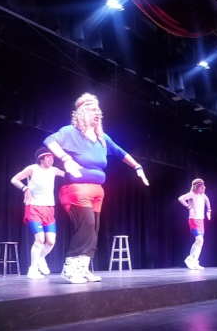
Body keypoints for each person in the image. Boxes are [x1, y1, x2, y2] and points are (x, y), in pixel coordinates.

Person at [44, 93, 149, 284]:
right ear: (82, 112)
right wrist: (66, 159)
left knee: (94, 229)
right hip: (76, 189)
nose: (98, 113)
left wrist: (138, 167)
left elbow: (119, 151)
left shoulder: (102, 138)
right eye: (93, 110)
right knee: (87, 226)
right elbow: (49, 141)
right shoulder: (70, 132)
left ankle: (83, 268)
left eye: (99, 110)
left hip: (97, 191)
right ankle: (69, 268)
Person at [11, 147, 65, 280]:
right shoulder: (32, 168)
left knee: (51, 242)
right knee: (40, 239)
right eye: (49, 157)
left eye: (52, 157)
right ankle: (32, 269)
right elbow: (14, 179)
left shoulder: (53, 170)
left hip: (49, 209)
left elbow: (68, 175)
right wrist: (25, 188)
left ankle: (40, 258)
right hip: (34, 207)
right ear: (41, 158)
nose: (51, 159)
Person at [178, 178, 211, 270]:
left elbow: (207, 201)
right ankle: (190, 259)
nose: (203, 188)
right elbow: (180, 198)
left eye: (203, 186)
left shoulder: (203, 195)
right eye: (201, 187)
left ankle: (194, 260)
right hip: (193, 220)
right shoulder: (191, 195)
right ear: (196, 187)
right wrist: (189, 207)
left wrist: (209, 211)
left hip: (201, 221)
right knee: (199, 240)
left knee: (200, 242)